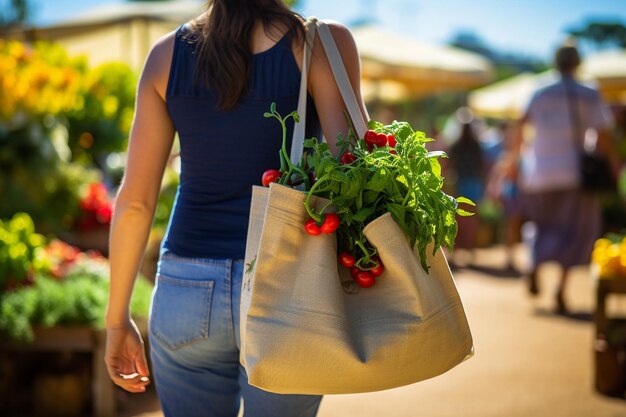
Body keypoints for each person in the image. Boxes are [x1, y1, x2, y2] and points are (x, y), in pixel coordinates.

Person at [104, 1, 369, 416]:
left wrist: (117, 320)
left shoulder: (164, 56)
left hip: (186, 288)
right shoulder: (321, 44)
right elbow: (351, 169)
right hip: (286, 281)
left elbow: (135, 203)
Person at [509, 41, 620, 314]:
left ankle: (535, 262)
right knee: (575, 232)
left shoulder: (539, 90)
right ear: (578, 62)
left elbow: (520, 127)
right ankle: (561, 288)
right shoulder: (589, 93)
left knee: (543, 225)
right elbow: (603, 137)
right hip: (574, 174)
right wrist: (615, 166)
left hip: (539, 173)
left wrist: (513, 161)